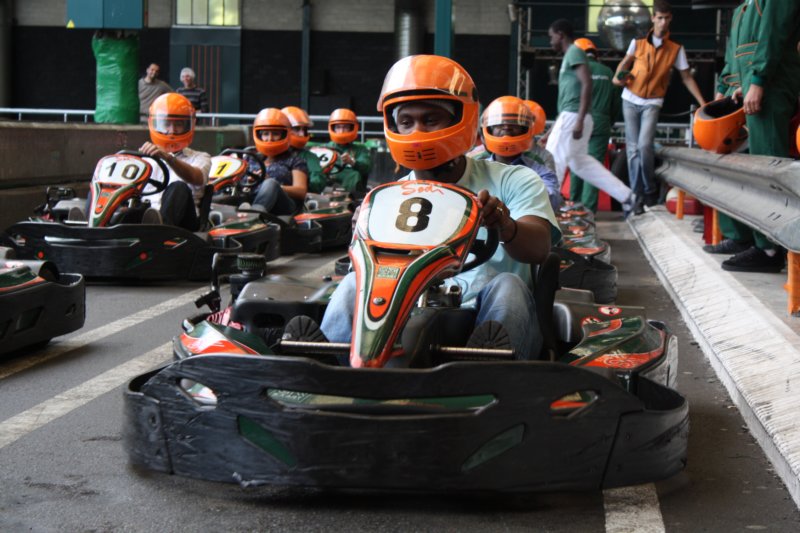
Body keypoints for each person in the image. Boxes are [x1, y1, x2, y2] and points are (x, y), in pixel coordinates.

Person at [318, 55, 561, 361]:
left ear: (462, 119)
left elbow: (540, 249)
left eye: (431, 120)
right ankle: (329, 369)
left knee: (508, 285)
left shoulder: (514, 179)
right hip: (409, 310)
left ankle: (485, 372)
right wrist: (367, 235)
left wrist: (504, 224)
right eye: (406, 122)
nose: (417, 132)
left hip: (485, 314)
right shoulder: (388, 197)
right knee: (354, 284)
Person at [703, 0, 799, 272]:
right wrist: (746, 84)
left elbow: (772, 35)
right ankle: (756, 241)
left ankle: (770, 249)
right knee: (754, 167)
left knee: (768, 166)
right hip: (760, 84)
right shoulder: (744, 9)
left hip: (771, 85)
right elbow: (745, 51)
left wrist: (757, 80)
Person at [612, 0, 706, 214]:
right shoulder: (637, 43)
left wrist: (702, 103)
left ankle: (649, 190)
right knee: (632, 149)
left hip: (653, 102)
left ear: (670, 19)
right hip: (630, 99)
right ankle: (636, 196)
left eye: (666, 18)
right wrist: (618, 77)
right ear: (653, 18)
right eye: (660, 18)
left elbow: (686, 77)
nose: (663, 22)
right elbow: (624, 64)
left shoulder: (675, 49)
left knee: (644, 146)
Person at [542, 19, 634, 215]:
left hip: (574, 116)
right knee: (582, 164)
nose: (550, 41)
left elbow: (587, 83)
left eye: (552, 37)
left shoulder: (574, 52)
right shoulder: (571, 55)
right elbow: (568, 99)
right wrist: (552, 131)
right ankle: (628, 197)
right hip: (574, 116)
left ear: (560, 34)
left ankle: (547, 210)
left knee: (553, 159)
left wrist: (579, 120)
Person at [139, 93, 210, 230]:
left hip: (184, 223)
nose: (171, 131)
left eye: (178, 124)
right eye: (166, 124)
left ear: (189, 125)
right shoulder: (145, 159)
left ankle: (161, 230)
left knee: (178, 186)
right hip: (147, 214)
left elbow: (197, 177)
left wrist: (168, 157)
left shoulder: (201, 157)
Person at [480, 95, 562, 211]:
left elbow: (552, 201)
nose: (506, 128)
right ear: (489, 130)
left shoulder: (540, 170)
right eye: (499, 125)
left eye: (514, 124)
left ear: (524, 130)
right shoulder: (477, 167)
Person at [569, 37, 621, 213]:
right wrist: (608, 122)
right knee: (593, 167)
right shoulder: (608, 72)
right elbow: (616, 103)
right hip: (600, 124)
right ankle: (588, 212)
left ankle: (573, 208)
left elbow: (568, 100)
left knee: (576, 163)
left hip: (577, 122)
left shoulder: (575, 71)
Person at [249, 108, 308, 215]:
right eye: (265, 134)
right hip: (251, 198)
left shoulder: (295, 160)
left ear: (284, 135)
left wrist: (273, 185)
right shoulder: (251, 158)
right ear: (259, 136)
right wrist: (250, 181)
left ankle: (254, 216)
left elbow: (301, 191)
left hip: (284, 207)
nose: (270, 138)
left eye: (275, 134)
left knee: (270, 183)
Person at [323, 108, 372, 192]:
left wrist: (352, 162)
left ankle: (350, 198)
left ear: (351, 128)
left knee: (354, 175)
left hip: (350, 181)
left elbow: (367, 167)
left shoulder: (360, 149)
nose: (341, 131)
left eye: (345, 127)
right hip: (329, 177)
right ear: (333, 128)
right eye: (338, 127)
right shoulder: (325, 148)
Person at [281, 106, 327, 194]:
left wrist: (300, 181)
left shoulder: (309, 157)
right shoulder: (265, 156)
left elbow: (317, 183)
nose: (302, 134)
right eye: (297, 129)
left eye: (304, 130)